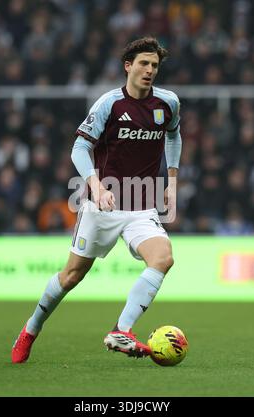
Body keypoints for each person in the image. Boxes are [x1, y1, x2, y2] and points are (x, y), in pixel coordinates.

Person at [11, 37, 182, 363]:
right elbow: (79, 148)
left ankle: (122, 330)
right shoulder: (109, 104)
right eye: (144, 64)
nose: (149, 71)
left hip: (141, 205)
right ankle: (31, 329)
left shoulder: (168, 103)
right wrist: (96, 185)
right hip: (101, 205)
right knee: (72, 276)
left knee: (163, 257)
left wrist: (171, 180)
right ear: (128, 66)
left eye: (155, 66)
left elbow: (174, 135)